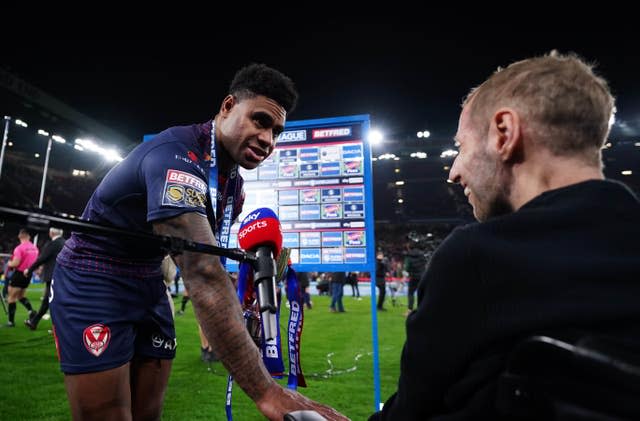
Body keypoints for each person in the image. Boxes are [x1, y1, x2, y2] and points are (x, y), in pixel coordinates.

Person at [50, 63, 348, 421]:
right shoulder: (175, 156)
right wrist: (268, 392)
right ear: (226, 107)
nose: (269, 140)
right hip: (93, 278)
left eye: (277, 131)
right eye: (259, 120)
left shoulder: (232, 184)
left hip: (147, 280)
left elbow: (211, 263)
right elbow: (203, 272)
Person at [370, 51, 640, 420]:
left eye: (461, 147)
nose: (453, 172)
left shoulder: (475, 257)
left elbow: (410, 413)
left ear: (504, 133)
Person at [24, 227, 65, 330]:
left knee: (49, 301)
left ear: (51, 233)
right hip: (63, 276)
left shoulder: (53, 243)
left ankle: (36, 322)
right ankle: (34, 322)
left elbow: (42, 258)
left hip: (53, 276)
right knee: (51, 301)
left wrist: (29, 269)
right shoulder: (66, 243)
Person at [5, 229, 39, 327]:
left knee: (11, 297)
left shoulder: (19, 248)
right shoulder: (35, 248)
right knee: (20, 296)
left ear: (22, 235)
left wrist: (9, 263)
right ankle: (31, 311)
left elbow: (16, 263)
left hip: (19, 273)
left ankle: (11, 322)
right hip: (28, 274)